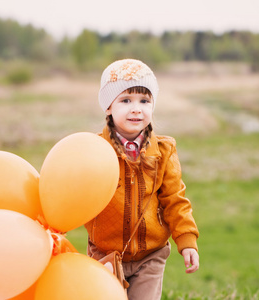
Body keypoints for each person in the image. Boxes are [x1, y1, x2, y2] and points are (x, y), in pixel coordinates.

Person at [84, 58, 199, 299]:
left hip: (150, 255)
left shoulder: (164, 151)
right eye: (126, 100)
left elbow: (175, 199)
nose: (136, 108)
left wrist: (186, 239)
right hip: (104, 254)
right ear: (108, 107)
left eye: (144, 100)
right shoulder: (94, 149)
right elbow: (75, 195)